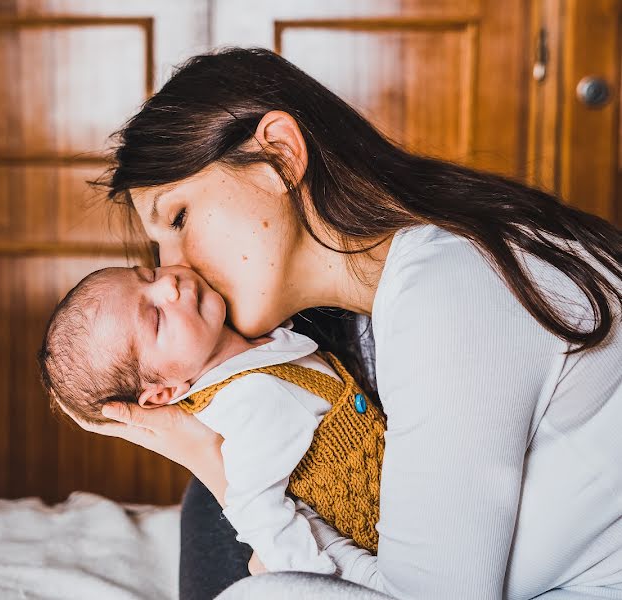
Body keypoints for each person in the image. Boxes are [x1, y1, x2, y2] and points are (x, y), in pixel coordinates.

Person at [71, 47, 622, 599]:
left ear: (280, 156)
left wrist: (215, 466)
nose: (174, 270)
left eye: (180, 217)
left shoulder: (450, 290)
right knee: (216, 512)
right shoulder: (365, 324)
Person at [39, 264, 386, 575]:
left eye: (149, 274)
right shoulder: (245, 402)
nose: (168, 285)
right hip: (379, 546)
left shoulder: (258, 346)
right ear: (163, 392)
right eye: (157, 317)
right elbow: (256, 509)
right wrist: (312, 573)